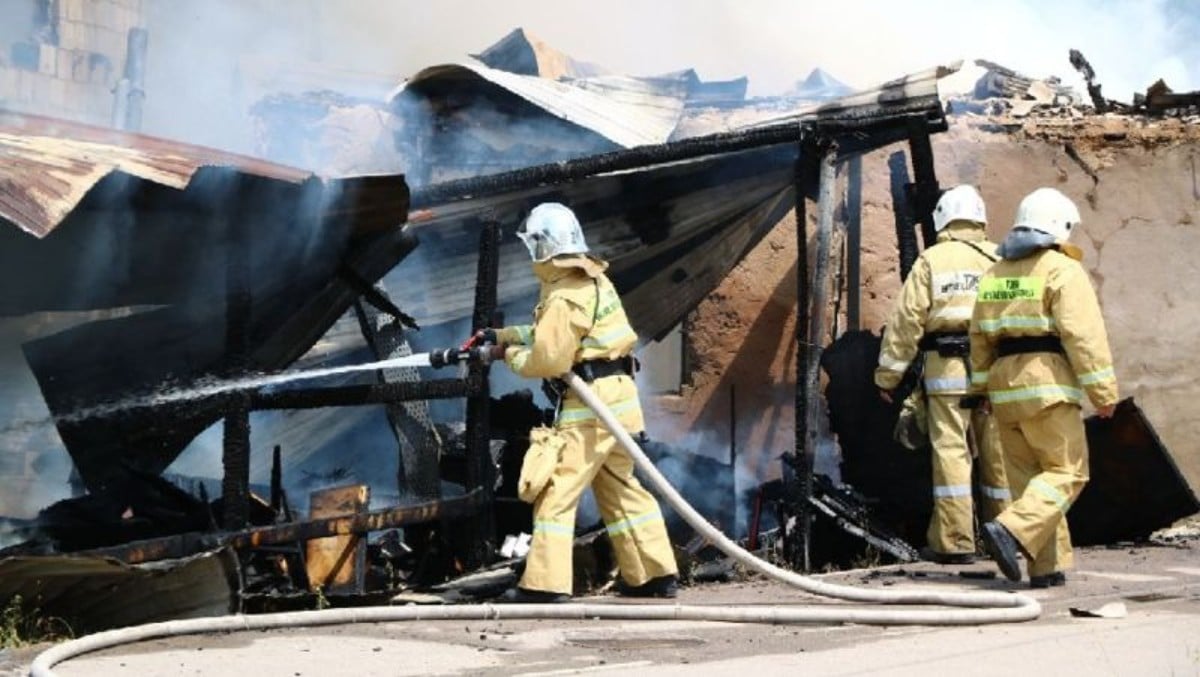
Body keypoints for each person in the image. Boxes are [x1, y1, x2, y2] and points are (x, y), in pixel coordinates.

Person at [484, 202, 679, 603]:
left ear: (543, 245)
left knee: (556, 489)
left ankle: (544, 585)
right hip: (618, 400)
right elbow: (551, 332)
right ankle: (653, 574)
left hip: (591, 407)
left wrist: (506, 355)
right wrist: (503, 335)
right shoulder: (591, 279)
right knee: (621, 488)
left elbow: (549, 358)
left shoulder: (563, 294)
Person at [969, 187, 1118, 588]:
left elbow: (979, 339)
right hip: (1046, 386)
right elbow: (1083, 337)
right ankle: (1011, 529)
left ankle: (1045, 568)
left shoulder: (994, 274)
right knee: (1068, 472)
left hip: (1003, 390)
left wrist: (981, 391)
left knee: (1031, 482)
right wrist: (1103, 394)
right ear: (1059, 226)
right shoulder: (1061, 270)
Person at [875, 185, 1011, 565]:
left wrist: (888, 378)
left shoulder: (931, 261)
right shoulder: (1002, 259)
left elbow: (905, 323)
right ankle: (1006, 537)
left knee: (952, 452)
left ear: (942, 219)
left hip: (947, 370)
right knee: (998, 455)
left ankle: (955, 543)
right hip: (995, 369)